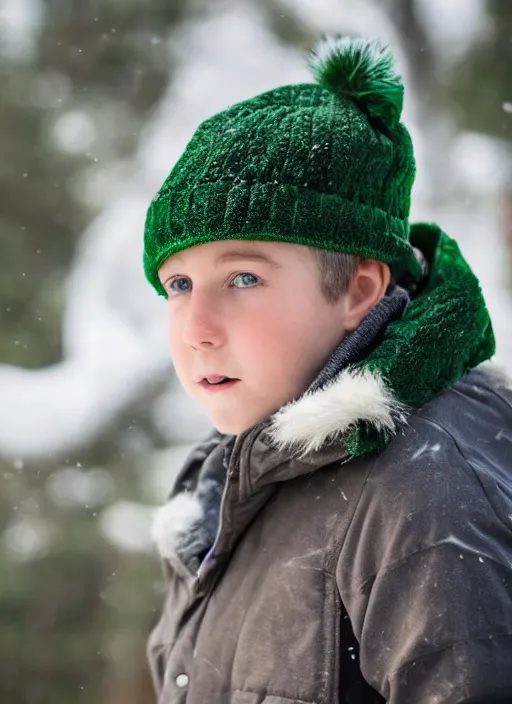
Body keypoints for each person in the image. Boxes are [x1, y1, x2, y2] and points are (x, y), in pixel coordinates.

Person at [142, 36, 512, 704]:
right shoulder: (235, 471)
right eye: (178, 284)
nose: (196, 328)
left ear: (358, 290)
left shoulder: (423, 493)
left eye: (244, 277)